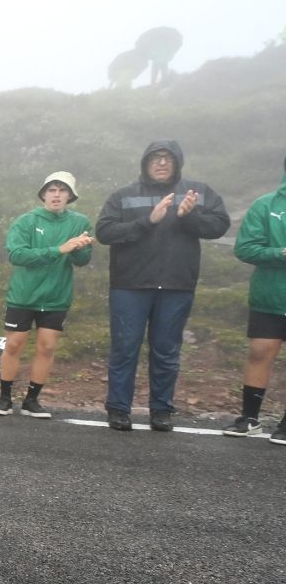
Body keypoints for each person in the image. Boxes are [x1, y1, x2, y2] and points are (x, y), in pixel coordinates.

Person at [95, 140, 230, 432]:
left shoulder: (198, 192)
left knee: (166, 351)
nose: (161, 162)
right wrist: (147, 221)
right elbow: (104, 232)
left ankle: (161, 410)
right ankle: (118, 408)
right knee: (125, 348)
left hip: (177, 286)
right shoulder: (123, 195)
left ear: (177, 162)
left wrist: (189, 216)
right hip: (129, 286)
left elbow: (220, 226)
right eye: (155, 157)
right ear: (145, 162)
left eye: (168, 158)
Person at [0, 172, 93, 418]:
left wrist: (79, 249)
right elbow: (17, 255)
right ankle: (4, 398)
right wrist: (59, 249)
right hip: (23, 295)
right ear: (43, 194)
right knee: (13, 344)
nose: (56, 195)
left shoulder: (80, 222)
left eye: (62, 190)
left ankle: (32, 401)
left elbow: (82, 260)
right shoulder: (26, 221)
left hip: (57, 296)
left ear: (70, 196)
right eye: (52, 190)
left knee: (47, 347)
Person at [223, 156, 286, 443]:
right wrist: (280, 253)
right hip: (269, 296)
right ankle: (249, 418)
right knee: (260, 352)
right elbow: (245, 248)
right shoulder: (266, 205)